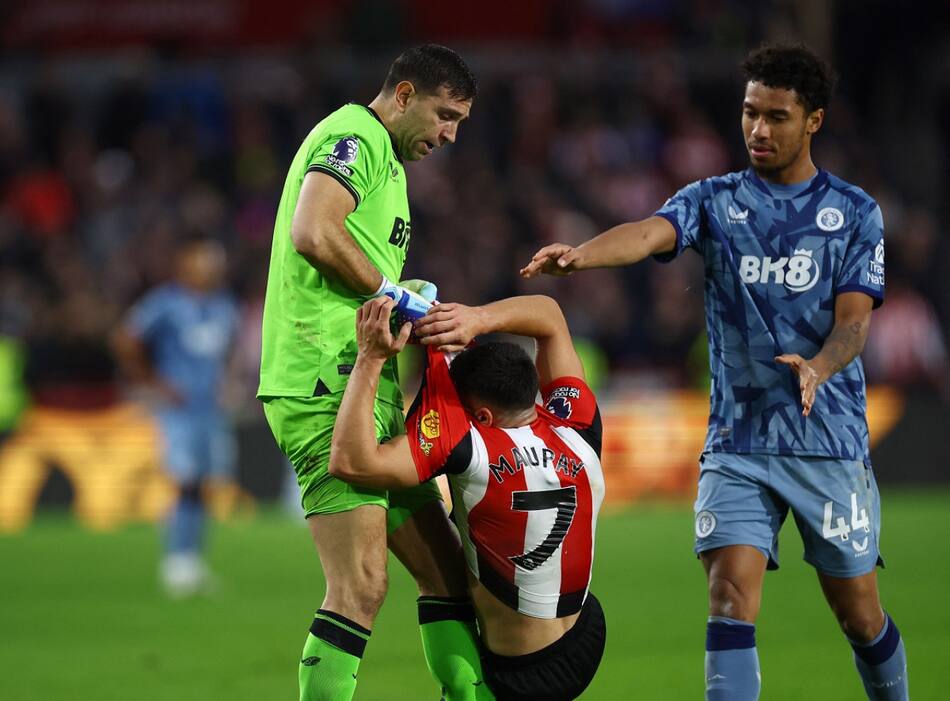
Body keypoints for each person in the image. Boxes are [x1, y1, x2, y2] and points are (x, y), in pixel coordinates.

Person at [522, 43, 908, 700]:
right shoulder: (715, 201)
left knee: (859, 612)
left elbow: (853, 322)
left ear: (813, 119)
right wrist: (582, 255)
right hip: (737, 441)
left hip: (828, 440)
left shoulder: (854, 213)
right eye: (750, 113)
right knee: (729, 597)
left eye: (777, 116)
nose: (759, 129)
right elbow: (648, 233)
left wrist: (818, 365)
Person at [256, 45, 486, 701]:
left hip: (365, 383)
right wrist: (398, 294)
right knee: (359, 582)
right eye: (445, 115)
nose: (450, 134)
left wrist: (399, 298)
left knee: (449, 573)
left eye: (461, 122)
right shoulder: (354, 134)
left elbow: (351, 265)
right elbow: (314, 232)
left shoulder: (389, 164)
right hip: (322, 383)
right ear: (405, 93)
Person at [329, 294, 606, 701]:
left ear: (481, 418)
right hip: (587, 631)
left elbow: (351, 462)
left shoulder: (469, 450)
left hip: (523, 669)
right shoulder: (577, 426)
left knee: (412, 519)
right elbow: (550, 315)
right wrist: (477, 319)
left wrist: (370, 357)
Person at [113, 236, 240, 596]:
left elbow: (228, 349)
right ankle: (174, 560)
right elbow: (125, 339)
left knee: (203, 484)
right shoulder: (165, 302)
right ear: (186, 263)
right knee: (183, 481)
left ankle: (191, 561)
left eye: (216, 261)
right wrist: (155, 383)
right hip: (178, 410)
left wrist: (228, 380)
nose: (212, 268)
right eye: (205, 260)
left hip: (210, 408)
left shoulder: (222, 304)